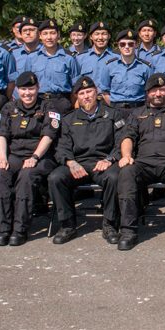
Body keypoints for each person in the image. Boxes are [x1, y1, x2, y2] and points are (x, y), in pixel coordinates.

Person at [116, 73, 165, 251]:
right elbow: (128, 136)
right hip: (144, 163)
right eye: (154, 90)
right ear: (147, 92)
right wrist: (126, 156)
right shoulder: (137, 114)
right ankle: (128, 231)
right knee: (127, 171)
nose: (158, 94)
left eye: (162, 90)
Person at [47, 76, 123, 245]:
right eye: (82, 93)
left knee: (114, 178)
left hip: (103, 163)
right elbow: (61, 147)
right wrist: (70, 162)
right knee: (55, 178)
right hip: (77, 163)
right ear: (77, 97)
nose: (86, 96)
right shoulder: (69, 119)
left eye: (89, 91)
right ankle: (67, 225)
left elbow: (121, 142)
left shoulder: (112, 114)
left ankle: (110, 224)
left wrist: (110, 159)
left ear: (96, 93)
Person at [0, 71, 60, 246]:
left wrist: (35, 157)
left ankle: (20, 229)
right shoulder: (9, 108)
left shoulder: (47, 107)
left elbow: (49, 135)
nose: (27, 93)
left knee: (26, 176)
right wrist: (2, 158)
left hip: (41, 156)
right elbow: (1, 135)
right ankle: (3, 228)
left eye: (31, 89)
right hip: (14, 155)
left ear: (38, 88)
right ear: (17, 91)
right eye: (23, 89)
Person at [29, 18, 77, 114]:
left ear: (58, 35)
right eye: (45, 33)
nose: (49, 37)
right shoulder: (32, 57)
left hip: (61, 102)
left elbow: (75, 87)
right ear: (40, 36)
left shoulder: (69, 58)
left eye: (52, 33)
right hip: (39, 103)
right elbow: (26, 84)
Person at [98, 29, 153, 109]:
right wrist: (113, 109)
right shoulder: (109, 66)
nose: (126, 47)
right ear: (118, 45)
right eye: (123, 44)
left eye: (130, 44)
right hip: (116, 109)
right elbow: (104, 91)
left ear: (136, 45)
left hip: (138, 108)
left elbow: (150, 91)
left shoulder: (145, 67)